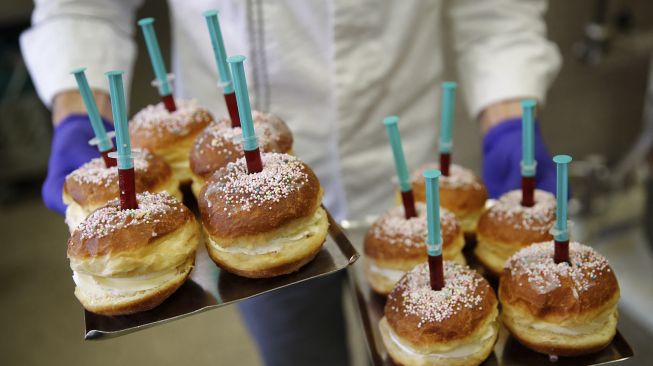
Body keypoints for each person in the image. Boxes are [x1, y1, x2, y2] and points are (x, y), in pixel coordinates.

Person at [21, 1, 561, 365]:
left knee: (434, 335)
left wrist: (510, 115)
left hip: (405, 168)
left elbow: (498, 11)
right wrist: (76, 113)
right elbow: (82, 6)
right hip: (232, 202)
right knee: (299, 352)